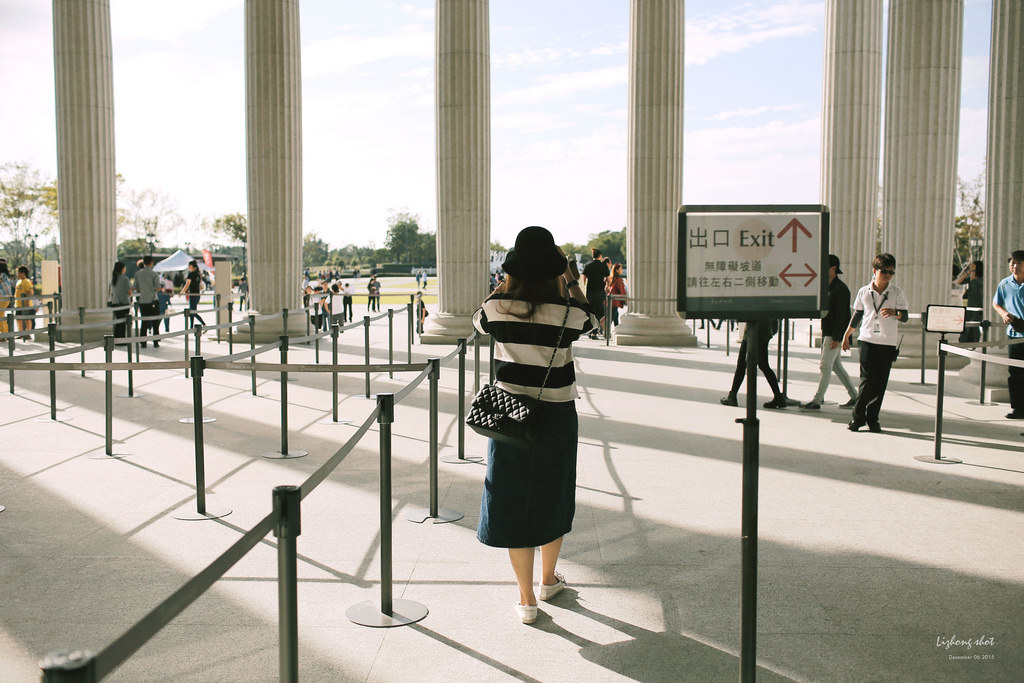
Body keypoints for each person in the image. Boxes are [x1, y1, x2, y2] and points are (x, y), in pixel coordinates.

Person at [472, 226, 597, 625]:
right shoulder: (568, 312)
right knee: (553, 492)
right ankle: (548, 579)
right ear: (554, 270)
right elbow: (594, 320)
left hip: (507, 414)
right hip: (556, 414)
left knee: (511, 498)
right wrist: (571, 278)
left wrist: (503, 285)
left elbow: (478, 320)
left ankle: (526, 599)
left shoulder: (497, 308)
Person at [842, 253, 909, 432]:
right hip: (867, 340)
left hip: (887, 342)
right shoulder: (864, 291)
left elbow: (905, 317)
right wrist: (847, 335)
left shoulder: (897, 293)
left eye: (891, 272)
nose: (888, 275)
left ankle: (873, 419)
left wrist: (895, 313)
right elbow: (857, 314)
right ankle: (857, 418)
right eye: (884, 271)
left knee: (880, 383)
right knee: (867, 380)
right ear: (874, 271)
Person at [802, 255, 858, 410]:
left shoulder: (840, 289)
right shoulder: (829, 287)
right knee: (836, 366)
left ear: (833, 269)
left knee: (825, 366)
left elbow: (842, 316)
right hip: (829, 331)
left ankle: (817, 400)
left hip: (833, 334)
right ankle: (855, 396)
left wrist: (837, 338)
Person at [720, 319, 786, 409]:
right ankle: (778, 396)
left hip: (755, 327)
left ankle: (732, 396)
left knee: (742, 363)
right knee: (763, 365)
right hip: (762, 328)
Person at [992, 250, 1024, 420]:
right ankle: (1018, 408)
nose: (1014, 265)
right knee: (1015, 373)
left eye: (1018, 262)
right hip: (1015, 334)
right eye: (1012, 262)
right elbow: (996, 303)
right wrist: (1003, 314)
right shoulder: (1005, 284)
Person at [133, 255, 162, 347]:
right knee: (155, 322)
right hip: (153, 300)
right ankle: (155, 342)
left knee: (144, 321)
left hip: (143, 300)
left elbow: (135, 287)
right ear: (151, 263)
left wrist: (143, 289)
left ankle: (143, 342)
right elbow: (158, 287)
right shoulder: (154, 274)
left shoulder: (138, 274)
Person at [582, 248, 609, 338]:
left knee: (590, 312)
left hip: (590, 292)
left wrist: (583, 288)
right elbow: (608, 279)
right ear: (600, 256)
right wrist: (607, 287)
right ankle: (595, 332)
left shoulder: (587, 265)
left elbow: (584, 278)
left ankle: (590, 331)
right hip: (600, 292)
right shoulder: (603, 266)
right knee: (599, 313)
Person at [955, 261, 984, 343]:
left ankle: (975, 341)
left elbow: (973, 282)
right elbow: (958, 282)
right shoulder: (971, 278)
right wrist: (969, 272)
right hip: (970, 304)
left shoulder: (981, 279)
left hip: (978, 305)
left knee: (975, 324)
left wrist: (973, 271)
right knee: (967, 323)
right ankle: (965, 340)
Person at [108, 261, 132, 339]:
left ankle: (117, 338)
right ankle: (121, 339)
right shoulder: (125, 279)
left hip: (115, 303)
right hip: (124, 303)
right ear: (122, 268)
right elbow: (129, 292)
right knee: (123, 323)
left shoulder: (113, 279)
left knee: (118, 321)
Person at [179, 260, 206, 327]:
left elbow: (187, 285)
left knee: (193, 312)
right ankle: (191, 326)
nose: (188, 267)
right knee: (192, 311)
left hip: (193, 294)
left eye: (189, 266)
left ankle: (203, 324)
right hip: (197, 294)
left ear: (191, 266)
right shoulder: (198, 274)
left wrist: (182, 292)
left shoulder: (191, 274)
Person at [13, 265, 35, 339]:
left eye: (18, 273)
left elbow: (30, 292)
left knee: (27, 319)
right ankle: (21, 333)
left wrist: (27, 302)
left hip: (25, 304)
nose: (18, 274)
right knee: (18, 319)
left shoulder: (27, 281)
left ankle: (27, 333)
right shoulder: (19, 281)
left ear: (22, 273)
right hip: (18, 304)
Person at [0, 261, 12, 334]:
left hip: (2, 297)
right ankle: (6, 332)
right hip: (6, 298)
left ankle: (4, 334)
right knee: (2, 315)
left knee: (1, 316)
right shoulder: (6, 275)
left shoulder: (1, 275)